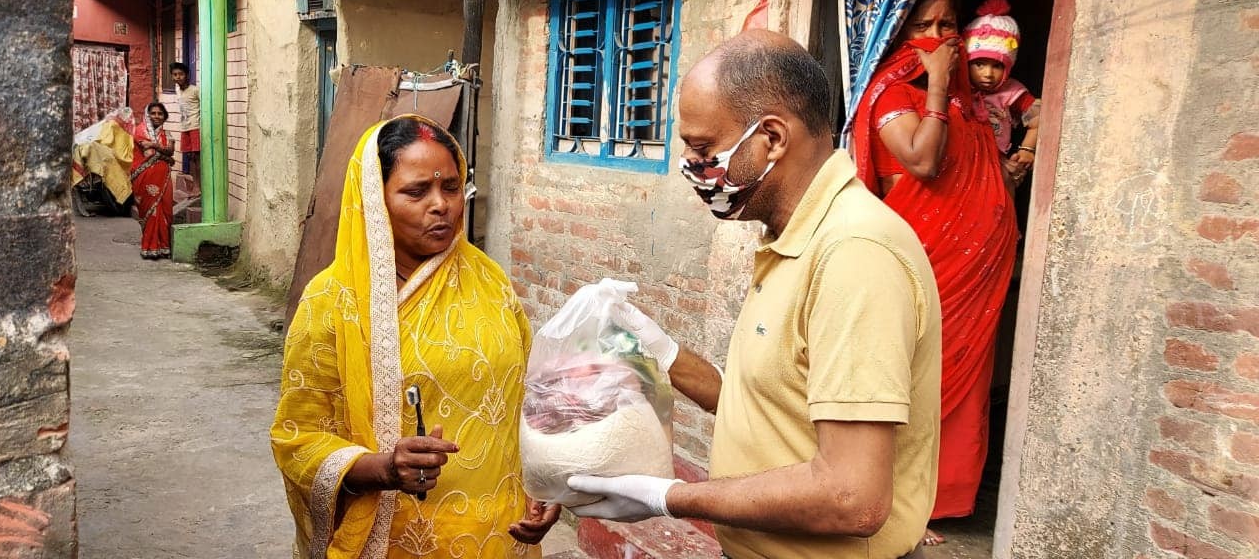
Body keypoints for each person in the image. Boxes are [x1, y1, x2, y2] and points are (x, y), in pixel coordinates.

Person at [564, 30, 942, 559]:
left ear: (772, 138)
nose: (691, 166)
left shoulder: (854, 253)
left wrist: (673, 497)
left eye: (702, 148)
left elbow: (852, 497)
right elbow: (773, 407)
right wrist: (660, 354)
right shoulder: (791, 237)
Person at [270, 115, 560, 558]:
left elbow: (528, 397)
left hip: (499, 533)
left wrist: (546, 484)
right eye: (416, 191)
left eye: (451, 187)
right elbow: (299, 436)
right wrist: (382, 468)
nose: (441, 204)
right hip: (398, 541)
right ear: (375, 199)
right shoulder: (333, 300)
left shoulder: (490, 281)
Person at [850, 0, 1020, 546]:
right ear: (900, 33)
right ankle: (889, 502)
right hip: (925, 265)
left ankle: (935, 502)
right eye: (928, 25)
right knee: (907, 381)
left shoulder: (971, 105)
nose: (943, 38)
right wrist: (941, 84)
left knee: (963, 388)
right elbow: (922, 161)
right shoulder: (891, 94)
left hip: (975, 273)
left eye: (951, 27)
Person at [965, 0, 1042, 192]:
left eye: (997, 65)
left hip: (997, 166)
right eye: (979, 64)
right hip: (964, 165)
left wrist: (1026, 149)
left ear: (1009, 66)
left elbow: (1038, 118)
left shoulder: (1011, 91)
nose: (988, 74)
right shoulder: (959, 88)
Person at [130, 102, 174, 259]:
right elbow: (148, 153)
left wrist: (156, 146)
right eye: (153, 113)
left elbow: (170, 150)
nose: (156, 116)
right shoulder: (140, 131)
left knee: (166, 210)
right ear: (147, 115)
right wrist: (167, 157)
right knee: (151, 211)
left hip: (164, 177)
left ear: (164, 117)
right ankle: (149, 247)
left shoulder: (166, 134)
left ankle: (163, 247)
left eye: (160, 114)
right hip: (144, 177)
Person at [170, 62, 200, 184]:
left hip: (195, 126)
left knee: (197, 157)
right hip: (184, 127)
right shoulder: (177, 89)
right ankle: (194, 185)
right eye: (175, 74)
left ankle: (198, 185)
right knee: (190, 157)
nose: (178, 77)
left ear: (187, 75)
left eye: (181, 74)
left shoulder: (195, 90)